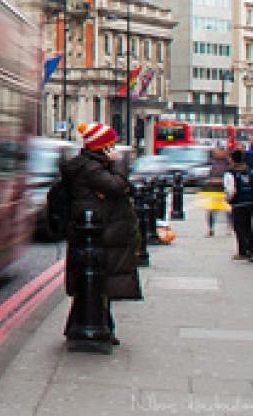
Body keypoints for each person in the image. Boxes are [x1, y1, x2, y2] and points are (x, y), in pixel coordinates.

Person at [60, 122, 140, 348]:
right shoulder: (92, 169)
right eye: (110, 145)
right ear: (103, 147)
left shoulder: (92, 166)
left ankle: (92, 326)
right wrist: (119, 164)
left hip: (99, 234)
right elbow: (117, 187)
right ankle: (94, 328)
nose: (113, 149)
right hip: (98, 234)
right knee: (97, 282)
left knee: (96, 284)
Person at [225, 149, 253, 261]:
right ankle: (252, 249)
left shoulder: (230, 173)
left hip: (238, 203)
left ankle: (243, 251)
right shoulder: (250, 171)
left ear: (232, 159)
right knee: (248, 226)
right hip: (250, 202)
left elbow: (231, 190)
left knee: (239, 227)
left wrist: (228, 199)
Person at [204, 145, 230, 236]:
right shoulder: (210, 162)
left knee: (228, 209)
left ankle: (229, 228)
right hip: (214, 189)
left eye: (222, 150)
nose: (220, 153)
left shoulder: (228, 162)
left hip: (226, 189)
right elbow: (206, 175)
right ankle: (210, 228)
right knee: (211, 210)